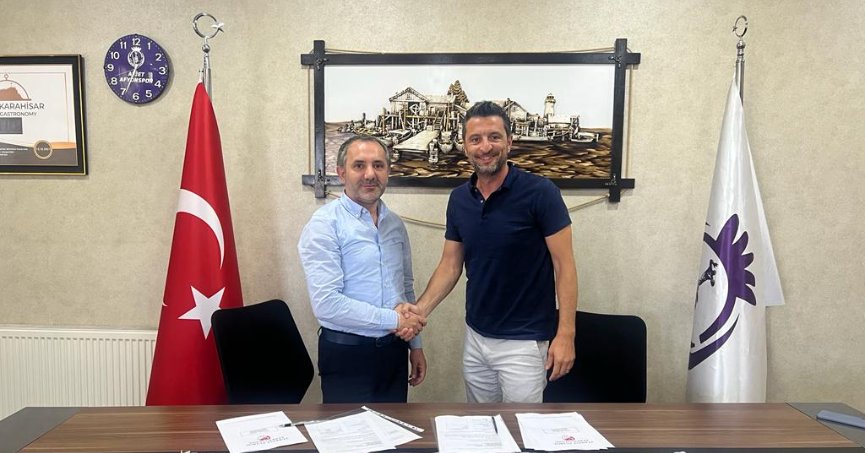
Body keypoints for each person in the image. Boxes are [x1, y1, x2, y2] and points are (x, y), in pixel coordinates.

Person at [404, 101, 578, 403]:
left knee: (521, 428)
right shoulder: (459, 199)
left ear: (509, 141)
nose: (485, 147)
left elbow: (565, 267)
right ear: (465, 146)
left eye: (494, 137)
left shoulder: (541, 193)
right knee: (481, 425)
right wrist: (419, 311)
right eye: (476, 139)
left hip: (523, 343)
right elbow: (450, 264)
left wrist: (566, 334)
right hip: (476, 337)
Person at [298, 135, 427, 403]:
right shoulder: (324, 224)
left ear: (388, 172)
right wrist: (397, 321)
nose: (370, 174)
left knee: (395, 427)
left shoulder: (395, 224)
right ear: (341, 173)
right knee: (349, 430)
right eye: (359, 165)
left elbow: (405, 288)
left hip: (394, 353)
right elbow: (327, 304)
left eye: (378, 165)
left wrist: (415, 345)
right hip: (347, 357)